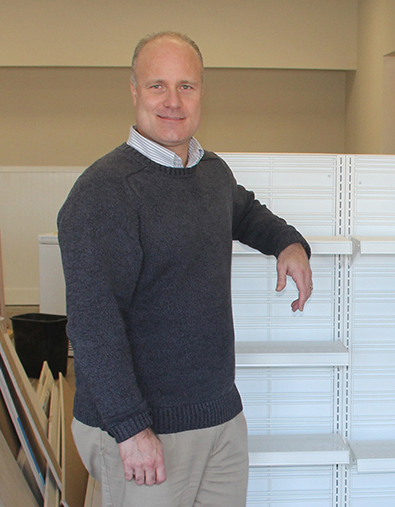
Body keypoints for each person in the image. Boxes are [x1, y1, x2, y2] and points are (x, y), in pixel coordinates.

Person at [57, 31, 313, 507]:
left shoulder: (211, 172)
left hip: (219, 418)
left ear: (201, 93)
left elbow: (245, 212)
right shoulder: (104, 193)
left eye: (186, 86)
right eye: (157, 86)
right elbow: (93, 326)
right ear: (134, 91)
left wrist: (289, 243)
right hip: (143, 431)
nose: (173, 101)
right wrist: (131, 428)